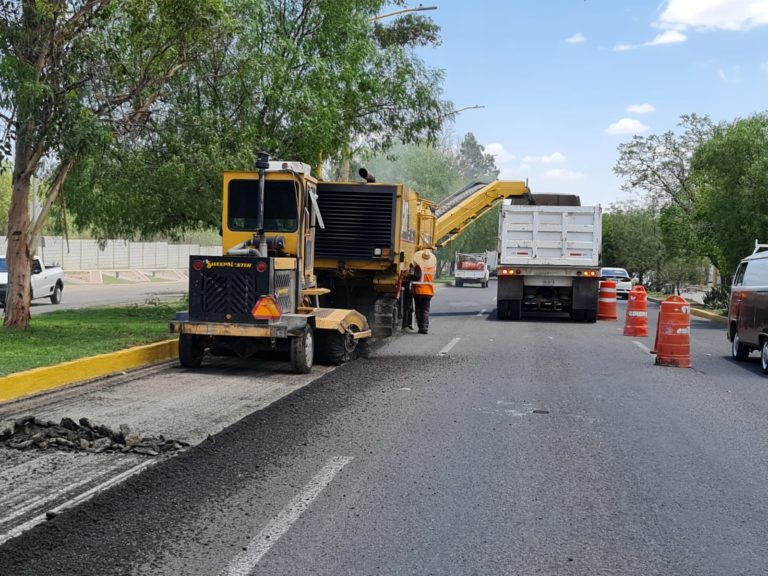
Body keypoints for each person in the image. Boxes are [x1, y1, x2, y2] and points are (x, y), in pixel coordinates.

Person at [410, 248, 437, 334]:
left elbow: (415, 277)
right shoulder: (433, 267)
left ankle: (420, 327)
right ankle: (425, 328)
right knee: (425, 310)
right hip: (429, 291)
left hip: (418, 291)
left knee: (418, 310)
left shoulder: (419, 267)